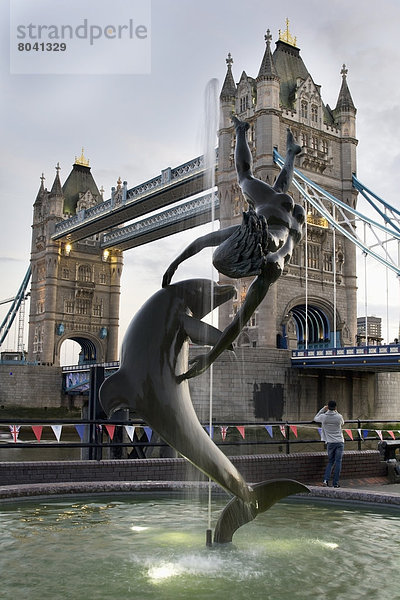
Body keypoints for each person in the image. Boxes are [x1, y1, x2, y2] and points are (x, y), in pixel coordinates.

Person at [162, 116, 305, 379]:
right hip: (275, 218)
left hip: (277, 220)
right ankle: (246, 133)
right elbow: (203, 242)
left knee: (253, 179)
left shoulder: (267, 258)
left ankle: (272, 146)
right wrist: (175, 264)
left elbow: (238, 321)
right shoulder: (259, 242)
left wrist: (176, 263)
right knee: (246, 177)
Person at [314, 400, 345, 487]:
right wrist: (336, 411)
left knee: (331, 461)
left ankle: (325, 480)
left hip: (330, 443)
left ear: (328, 407)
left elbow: (315, 418)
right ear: (335, 407)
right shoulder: (339, 416)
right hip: (339, 442)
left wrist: (323, 409)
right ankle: (335, 483)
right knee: (338, 462)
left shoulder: (323, 417)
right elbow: (342, 423)